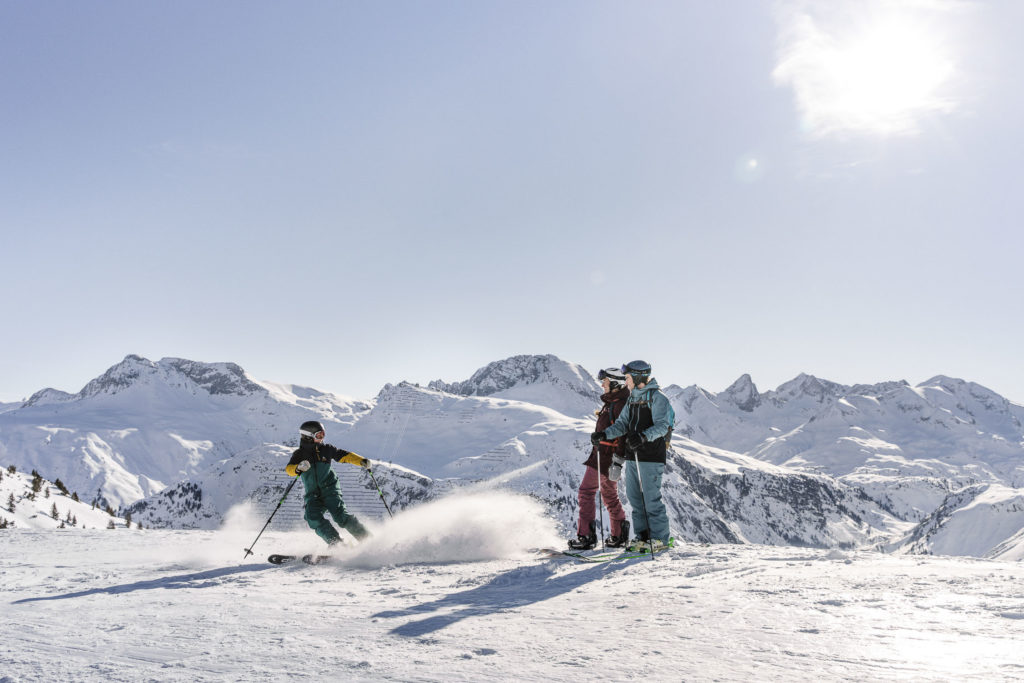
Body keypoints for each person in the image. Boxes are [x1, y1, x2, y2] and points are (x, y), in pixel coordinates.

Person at [590, 360, 675, 551]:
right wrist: (604, 434)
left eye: (627, 378)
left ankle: (660, 538)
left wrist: (644, 437)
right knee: (635, 498)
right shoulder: (632, 399)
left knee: (651, 498)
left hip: (651, 455)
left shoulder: (657, 397)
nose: (626, 382)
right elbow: (622, 424)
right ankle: (643, 537)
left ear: (637, 377)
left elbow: (663, 425)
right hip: (633, 455)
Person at [568, 368, 631, 550]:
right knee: (610, 495)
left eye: (605, 382)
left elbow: (623, 434)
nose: (602, 385)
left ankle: (586, 536)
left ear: (615, 384)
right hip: (604, 456)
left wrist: (616, 459)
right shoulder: (613, 403)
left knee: (586, 492)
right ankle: (619, 536)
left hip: (604, 458)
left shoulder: (619, 405)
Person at [286, 420, 371, 546]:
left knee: (340, 516)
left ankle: (368, 540)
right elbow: (289, 470)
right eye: (318, 435)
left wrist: (361, 461)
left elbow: (344, 455)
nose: (322, 438)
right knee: (312, 517)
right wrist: (298, 468)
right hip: (313, 494)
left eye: (323, 435)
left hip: (330, 490)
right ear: (308, 437)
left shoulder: (326, 449)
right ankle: (337, 544)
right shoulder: (299, 454)